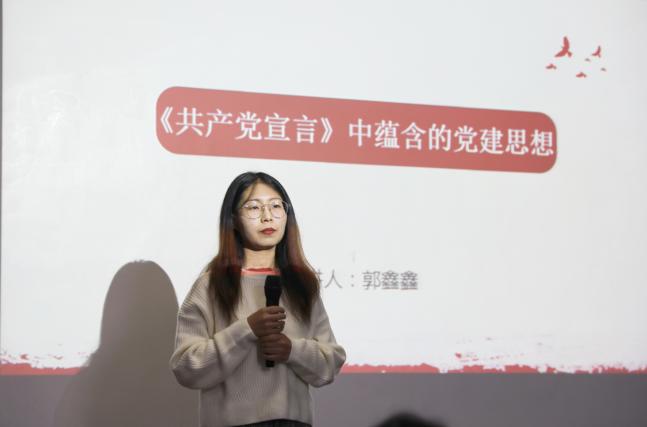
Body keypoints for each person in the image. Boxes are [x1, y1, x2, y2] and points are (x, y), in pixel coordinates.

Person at [170, 171, 346, 427]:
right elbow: (186, 367)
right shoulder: (211, 285)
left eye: (276, 206)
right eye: (254, 207)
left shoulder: (302, 285)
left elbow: (330, 362)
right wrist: (247, 329)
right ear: (233, 219)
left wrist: (292, 350)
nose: (267, 216)